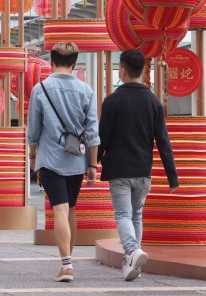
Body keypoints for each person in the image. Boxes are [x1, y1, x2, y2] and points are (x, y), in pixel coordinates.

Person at [98, 49, 178, 281]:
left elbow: (103, 138)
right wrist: (172, 177)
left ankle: (133, 251)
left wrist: (91, 163)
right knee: (136, 216)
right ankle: (133, 263)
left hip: (120, 171)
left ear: (122, 70)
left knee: (123, 214)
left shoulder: (112, 101)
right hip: (143, 172)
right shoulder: (153, 102)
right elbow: (163, 141)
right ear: (143, 71)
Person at [26, 42, 100, 284]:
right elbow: (92, 132)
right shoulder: (85, 90)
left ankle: (66, 264)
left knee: (59, 208)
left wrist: (33, 154)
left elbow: (34, 129)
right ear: (75, 64)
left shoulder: (41, 89)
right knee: (70, 209)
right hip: (77, 160)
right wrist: (92, 164)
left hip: (50, 158)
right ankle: (69, 258)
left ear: (53, 62)